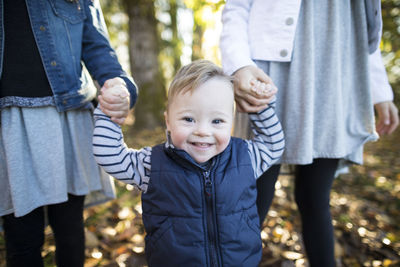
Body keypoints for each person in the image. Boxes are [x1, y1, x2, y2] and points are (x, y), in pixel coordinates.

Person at [220, 1, 399, 266]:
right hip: (267, 74)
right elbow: (237, 7)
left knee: (315, 196)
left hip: (335, 76)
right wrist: (238, 65)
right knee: (252, 193)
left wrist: (380, 90)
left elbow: (366, 26)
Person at [93, 60, 285, 266]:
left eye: (217, 121)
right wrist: (108, 114)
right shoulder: (152, 165)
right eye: (188, 119)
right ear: (168, 121)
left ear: (231, 121)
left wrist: (260, 107)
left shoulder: (245, 157)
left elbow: (273, 144)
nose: (202, 130)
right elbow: (111, 156)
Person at [0, 0, 137, 266]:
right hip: (11, 124)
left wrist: (120, 85)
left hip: (68, 115)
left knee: (70, 228)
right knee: (22, 237)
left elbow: (100, 50)